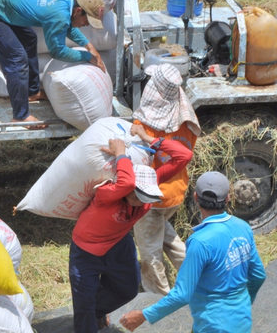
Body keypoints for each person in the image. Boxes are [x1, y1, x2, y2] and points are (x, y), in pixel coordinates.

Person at [69, 124, 193, 332]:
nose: (139, 202)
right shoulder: (107, 194)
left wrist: (149, 138)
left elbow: (184, 155)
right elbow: (126, 182)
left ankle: (96, 312)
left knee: (127, 290)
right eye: (135, 195)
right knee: (83, 308)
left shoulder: (150, 182)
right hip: (87, 251)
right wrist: (121, 154)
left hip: (118, 244)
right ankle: (89, 317)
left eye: (144, 198)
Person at [120, 172, 266, 333]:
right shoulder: (243, 227)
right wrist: (243, 304)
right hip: (242, 322)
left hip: (212, 325)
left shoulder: (200, 242)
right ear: (228, 198)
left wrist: (143, 315)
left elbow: (182, 294)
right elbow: (258, 275)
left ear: (195, 198)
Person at [0, 0, 107, 129]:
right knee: (17, 57)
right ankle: (20, 116)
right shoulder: (58, 14)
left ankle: (32, 91)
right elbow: (58, 51)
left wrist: (88, 46)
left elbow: (67, 25)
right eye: (87, 20)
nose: (86, 24)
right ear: (78, 10)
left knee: (29, 39)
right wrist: (88, 57)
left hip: (2, 2)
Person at [132, 63, 201, 295]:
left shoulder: (145, 125)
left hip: (151, 197)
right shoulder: (189, 122)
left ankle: (158, 296)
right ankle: (196, 276)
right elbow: (184, 153)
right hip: (175, 194)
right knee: (167, 238)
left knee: (150, 252)